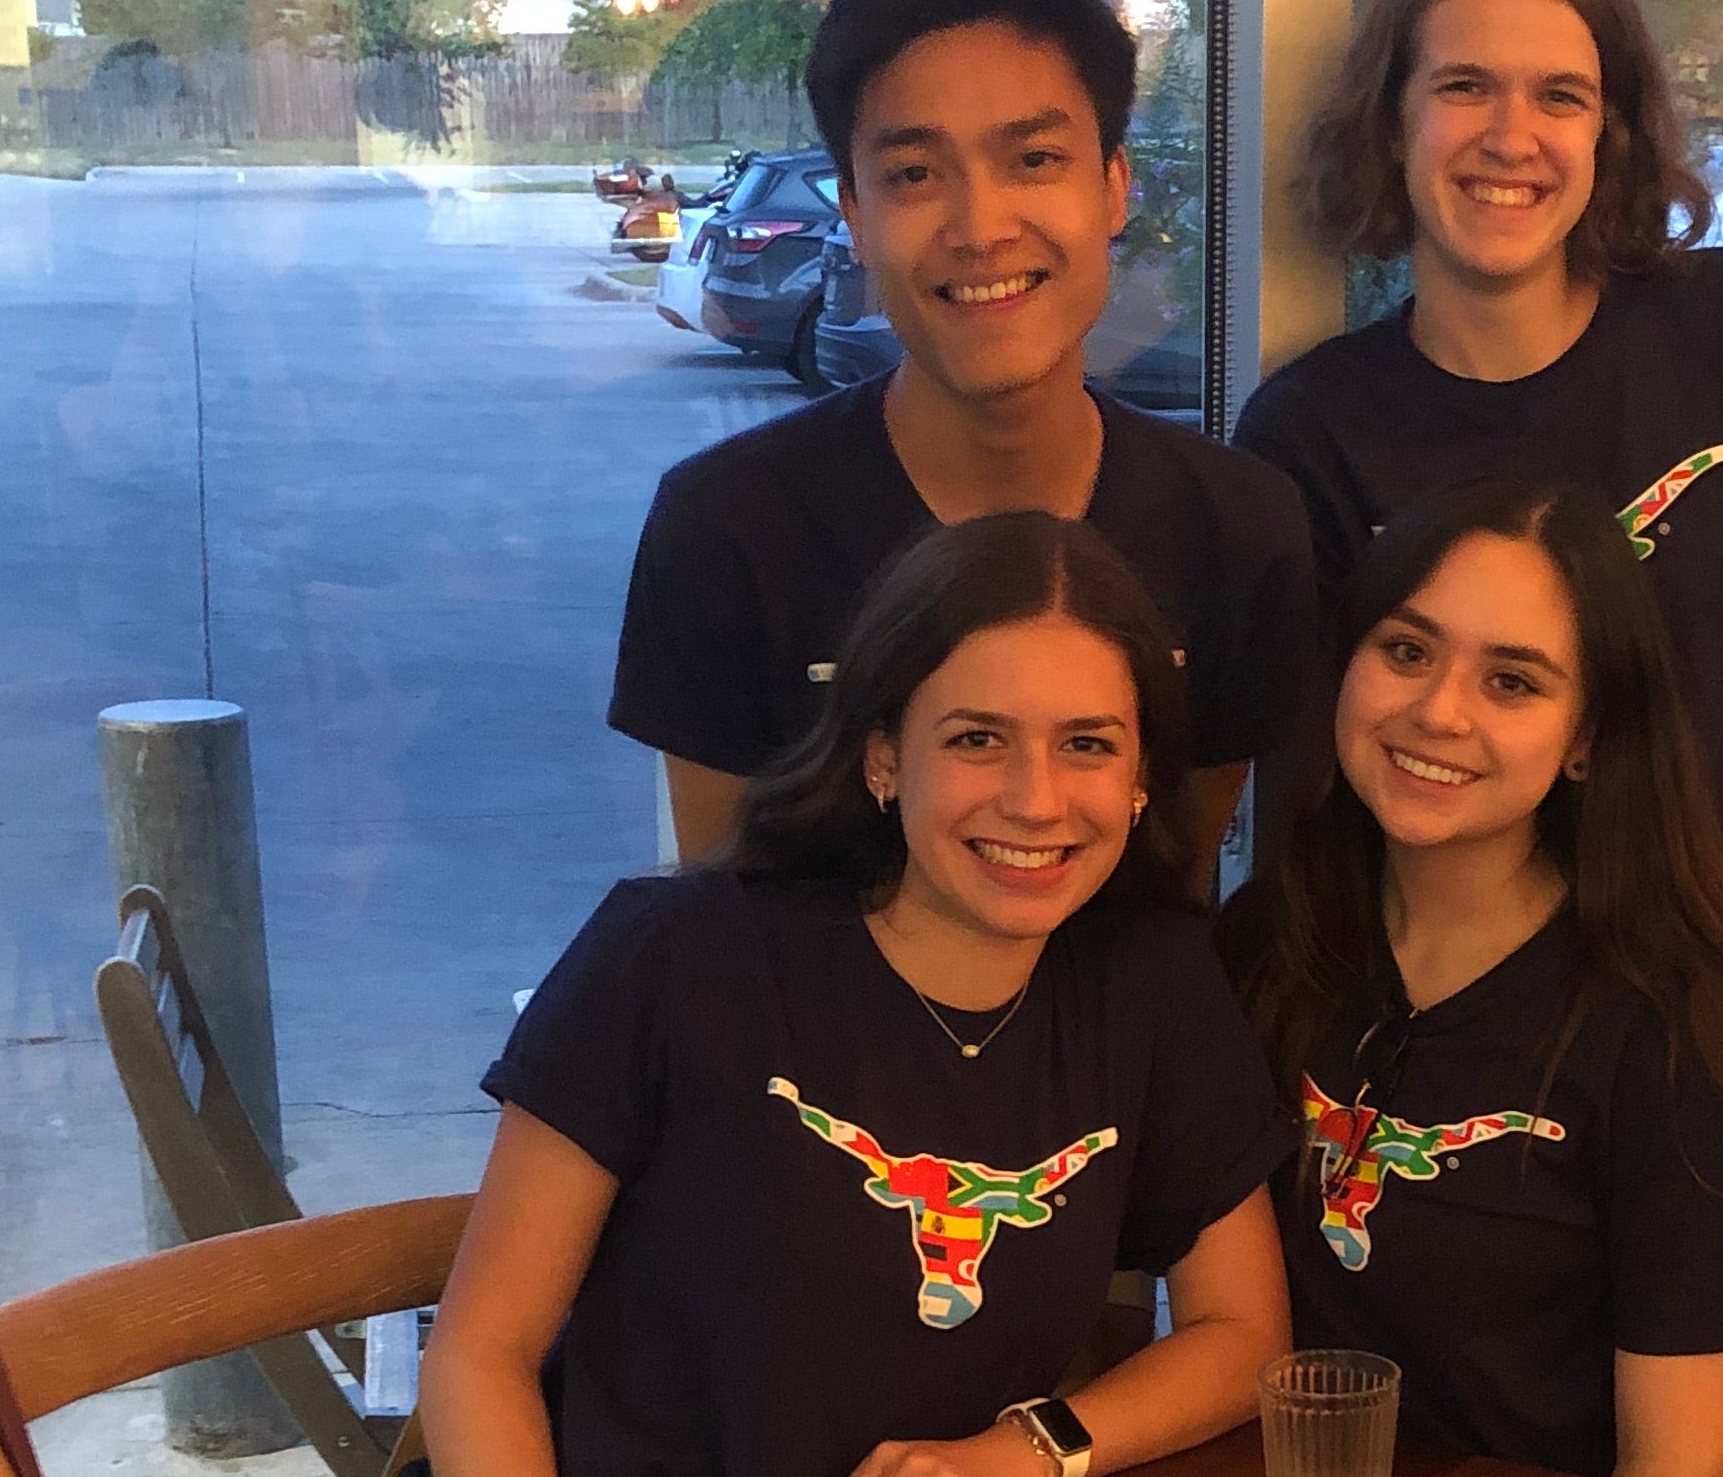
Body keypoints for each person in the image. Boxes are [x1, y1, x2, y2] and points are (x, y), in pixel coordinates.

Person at [1231, 0, 1723, 1409]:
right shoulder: (1315, 430)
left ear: (1612, 131)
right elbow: (1328, 789)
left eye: (1560, 94)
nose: (1508, 136)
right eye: (1462, 85)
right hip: (1471, 1087)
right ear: (1390, 121)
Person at [424, 514, 1294, 1477]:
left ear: (1139, 779)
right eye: (977, 739)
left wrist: (1023, 1454)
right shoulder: (675, 955)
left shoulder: (1152, 983)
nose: (1036, 800)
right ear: (884, 756)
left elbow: (1241, 1333)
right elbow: (481, 1353)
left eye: (1087, 745)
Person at [611, 0, 1315, 866]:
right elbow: (722, 923)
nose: (981, 228)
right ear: (855, 216)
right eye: (913, 175)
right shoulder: (730, 530)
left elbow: (1172, 902)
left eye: (1033, 160)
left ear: (1114, 189)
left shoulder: (1234, 528)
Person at [1218, 480, 1723, 1477]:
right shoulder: (1268, 943)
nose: (1438, 712)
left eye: (1513, 682)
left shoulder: (1680, 1037)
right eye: (1407, 651)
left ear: (1590, 738)